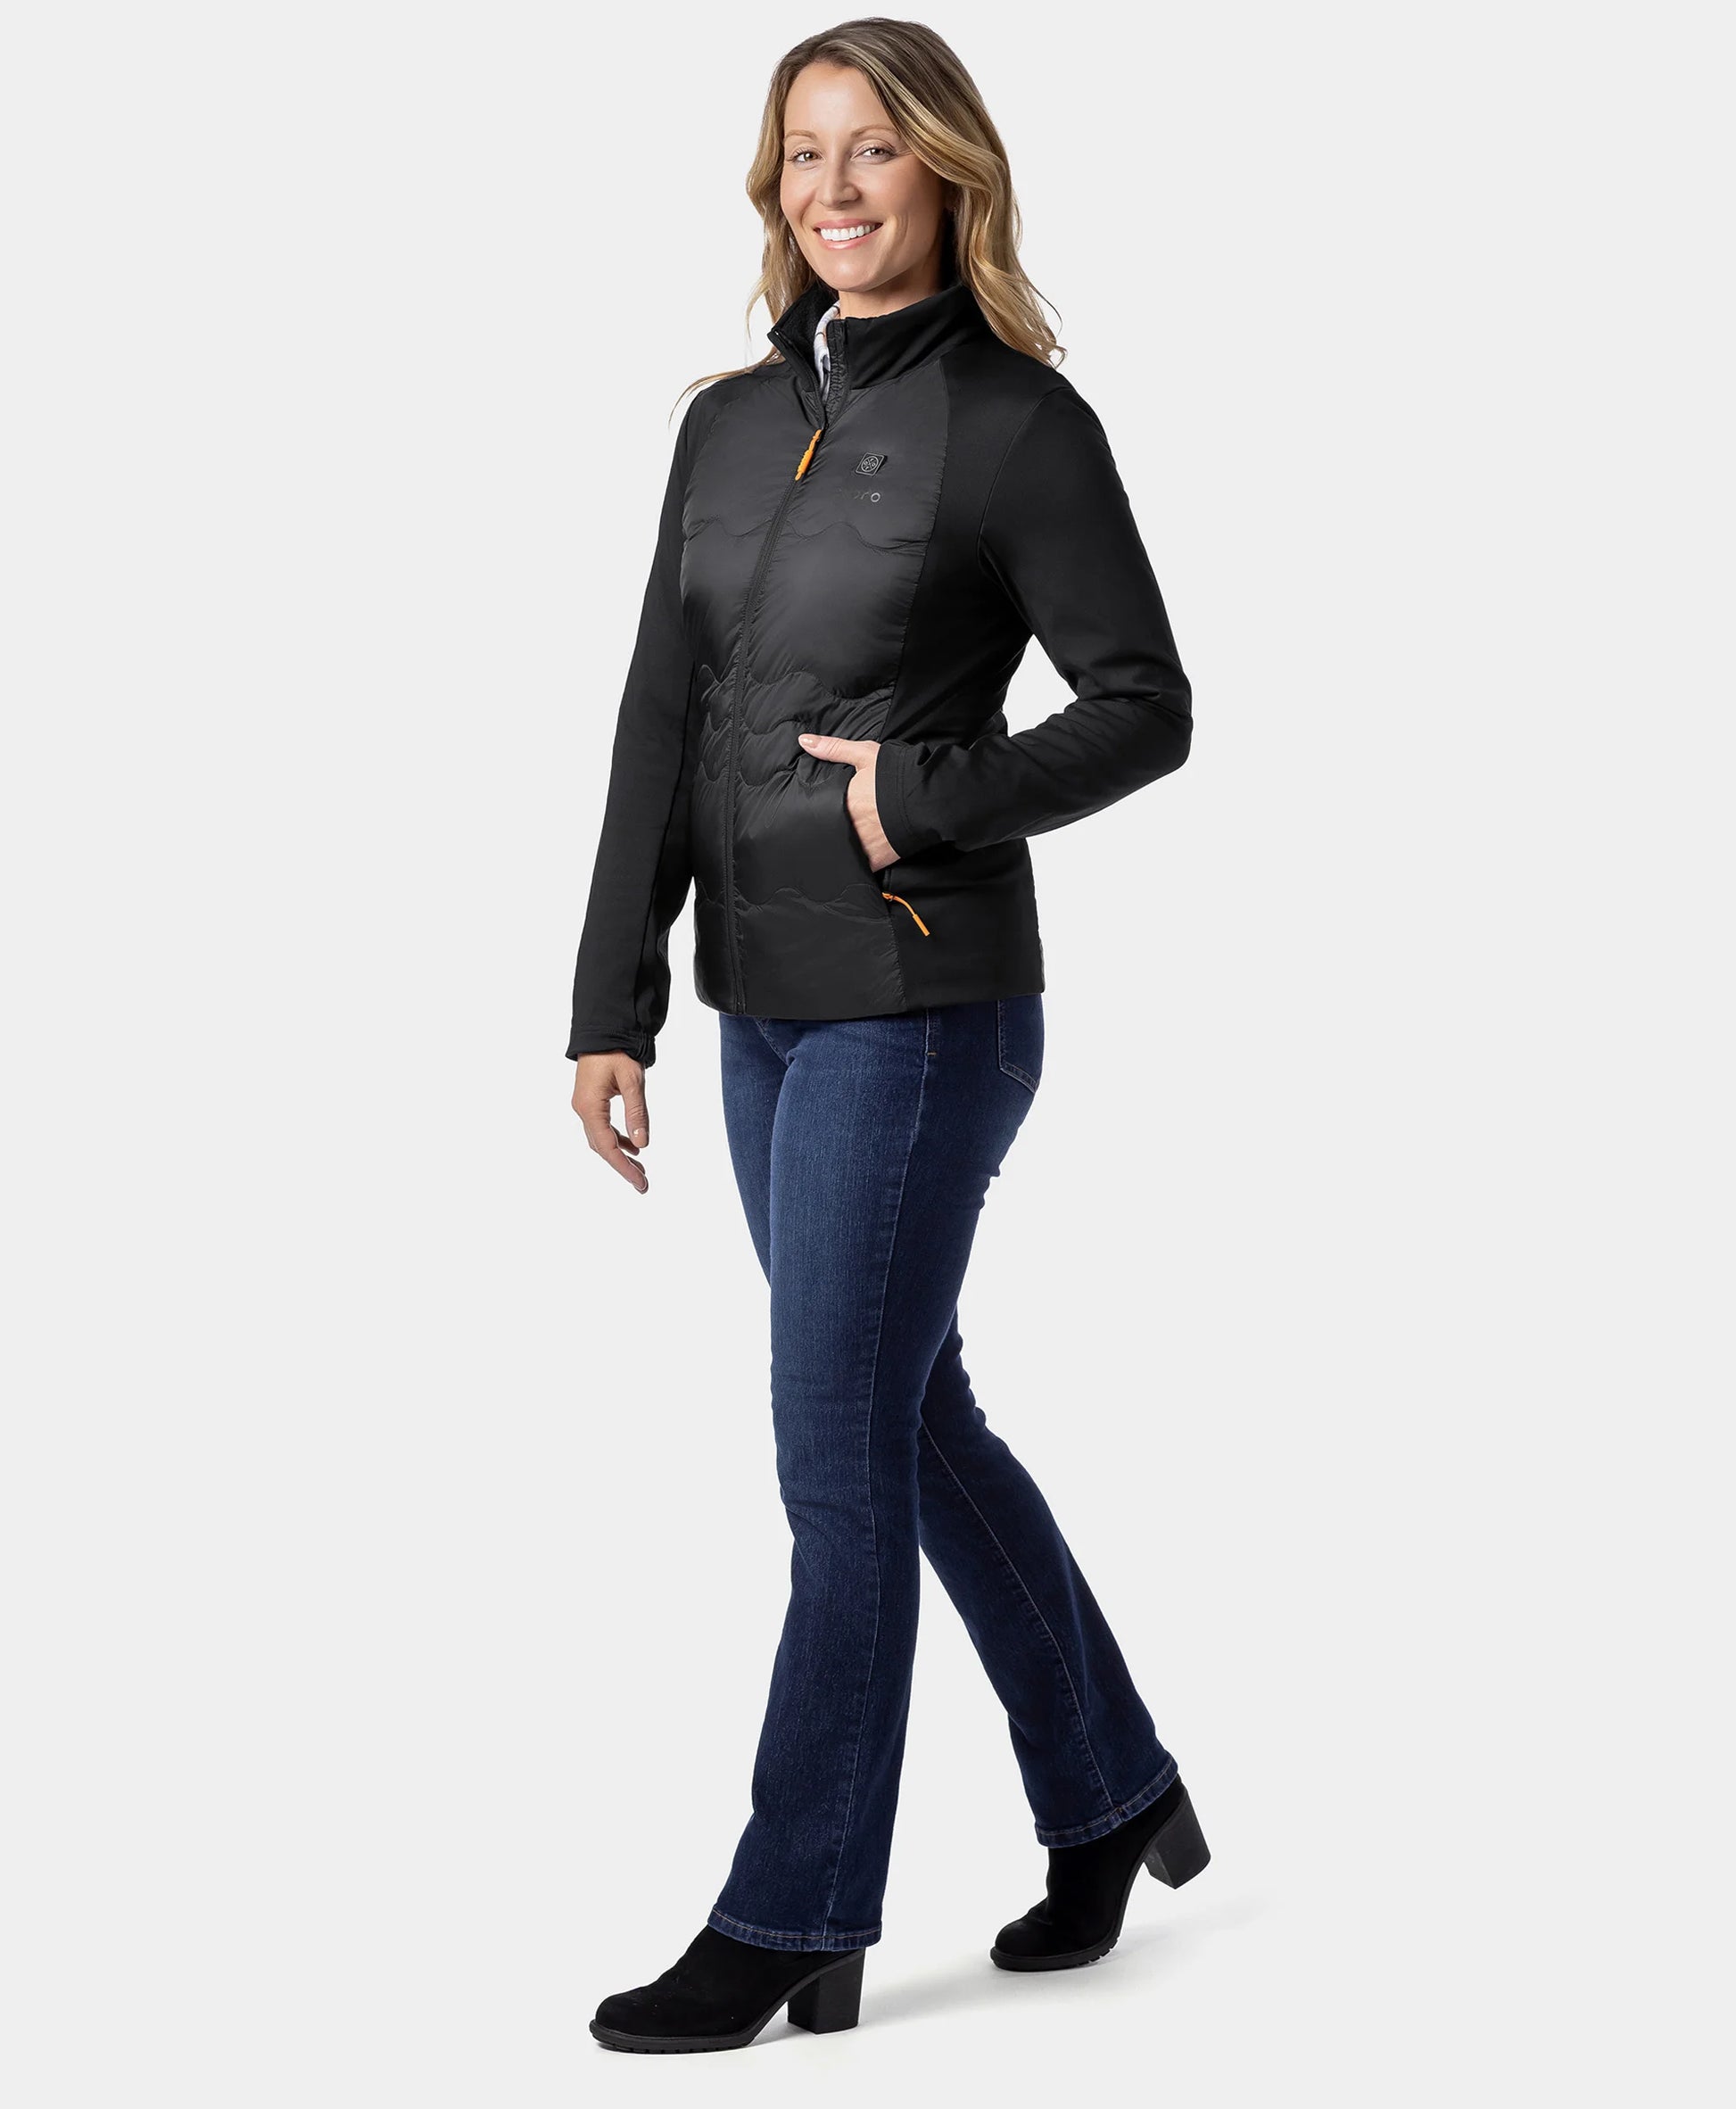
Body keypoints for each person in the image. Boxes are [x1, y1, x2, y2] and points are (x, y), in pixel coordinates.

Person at [567, 20, 1208, 2055]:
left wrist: (912, 798)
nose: (832, 190)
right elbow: (660, 713)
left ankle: (791, 1914)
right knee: (908, 1423)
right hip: (760, 1011)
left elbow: (1143, 705)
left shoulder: (1020, 424)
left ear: (949, 171)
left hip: (921, 1008)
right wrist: (610, 997)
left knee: (834, 1462)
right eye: (801, 155)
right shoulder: (724, 424)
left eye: (871, 151)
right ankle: (1113, 1791)